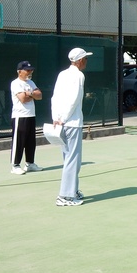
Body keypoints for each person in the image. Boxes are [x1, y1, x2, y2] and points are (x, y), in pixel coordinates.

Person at [51, 48, 92, 207]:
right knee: (72, 160)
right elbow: (74, 99)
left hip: (62, 123)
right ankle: (65, 196)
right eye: (85, 59)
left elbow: (55, 97)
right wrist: (63, 119)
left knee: (70, 159)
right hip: (72, 124)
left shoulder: (62, 74)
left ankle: (72, 190)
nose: (86, 61)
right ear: (80, 60)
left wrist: (56, 118)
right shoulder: (79, 75)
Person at [10, 60, 43, 175]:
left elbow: (39, 95)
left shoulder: (30, 82)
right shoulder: (16, 83)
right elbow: (23, 99)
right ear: (19, 71)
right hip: (20, 116)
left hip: (31, 115)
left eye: (31, 70)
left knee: (30, 141)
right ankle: (15, 165)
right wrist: (31, 94)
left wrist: (28, 93)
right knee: (19, 142)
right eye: (27, 70)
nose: (30, 72)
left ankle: (30, 164)